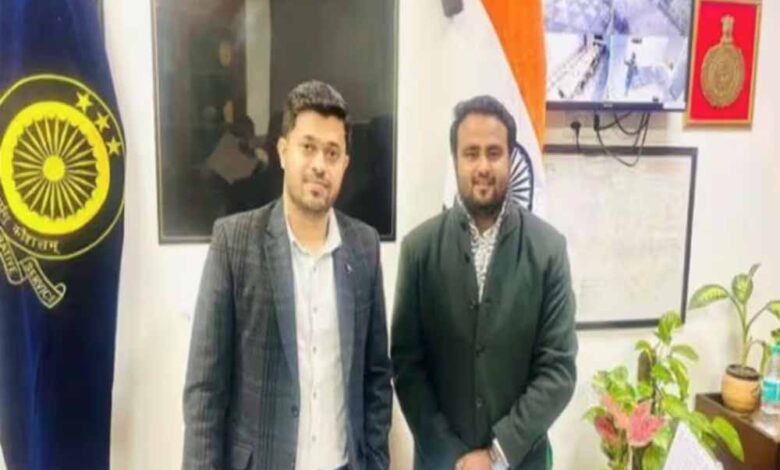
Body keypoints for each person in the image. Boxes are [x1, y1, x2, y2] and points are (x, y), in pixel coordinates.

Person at [183, 80, 392, 470]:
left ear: (344, 164)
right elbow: (205, 390)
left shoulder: (364, 247)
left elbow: (376, 376)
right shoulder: (234, 242)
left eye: (332, 153)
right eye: (308, 147)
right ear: (282, 152)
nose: (319, 165)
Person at [391, 96, 578, 470]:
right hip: (441, 463)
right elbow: (408, 367)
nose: (482, 167)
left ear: (510, 158)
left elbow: (558, 370)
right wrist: (454, 457)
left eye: (494, 153)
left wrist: (496, 455)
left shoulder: (549, 250)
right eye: (471, 153)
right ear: (455, 160)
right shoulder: (418, 250)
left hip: (520, 462)